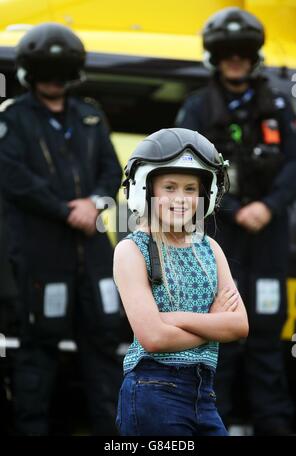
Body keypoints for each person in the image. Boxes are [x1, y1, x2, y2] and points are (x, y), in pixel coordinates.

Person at [176, 7, 296, 435]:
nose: (235, 61)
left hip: (267, 238)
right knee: (218, 338)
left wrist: (268, 206)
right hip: (218, 239)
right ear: (215, 57)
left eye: (242, 54)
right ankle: (213, 426)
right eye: (227, 54)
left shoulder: (280, 105)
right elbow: (181, 174)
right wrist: (228, 208)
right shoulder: (195, 108)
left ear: (253, 58)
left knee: (265, 338)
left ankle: (275, 426)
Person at [0, 23, 123, 435]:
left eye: (61, 70)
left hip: (94, 255)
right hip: (40, 256)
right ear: (29, 72)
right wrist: (64, 210)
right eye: (45, 71)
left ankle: (113, 435)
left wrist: (95, 204)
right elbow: (13, 178)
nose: (54, 80)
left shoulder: (90, 114)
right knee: (38, 351)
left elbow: (112, 169)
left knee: (105, 347)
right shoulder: (12, 119)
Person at [113, 128, 249, 436]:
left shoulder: (210, 249)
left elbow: (239, 325)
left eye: (190, 189)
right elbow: (154, 339)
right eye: (169, 187)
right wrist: (214, 324)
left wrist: (175, 319)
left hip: (205, 394)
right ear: (145, 191)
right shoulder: (132, 250)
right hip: (152, 391)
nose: (181, 198)